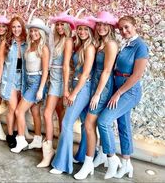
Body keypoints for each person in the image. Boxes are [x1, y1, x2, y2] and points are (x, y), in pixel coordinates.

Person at [97, 16, 149, 179]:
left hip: (129, 91)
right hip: (117, 87)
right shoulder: (125, 44)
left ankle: (112, 159)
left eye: (127, 27)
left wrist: (119, 93)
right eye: (120, 29)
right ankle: (127, 163)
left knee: (103, 121)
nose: (124, 31)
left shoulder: (140, 46)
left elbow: (137, 75)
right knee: (123, 125)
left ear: (134, 26)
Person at [74, 11, 118, 180]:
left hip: (103, 87)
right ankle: (95, 156)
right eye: (99, 24)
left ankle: (88, 163)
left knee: (89, 125)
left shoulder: (111, 44)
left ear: (110, 27)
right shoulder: (100, 42)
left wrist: (98, 94)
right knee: (89, 124)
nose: (101, 27)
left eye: (104, 24)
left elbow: (107, 71)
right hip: (94, 83)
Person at [50, 17, 96, 175]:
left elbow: (85, 74)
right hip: (78, 85)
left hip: (82, 87)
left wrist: (72, 93)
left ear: (90, 31)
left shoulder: (89, 48)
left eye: (85, 29)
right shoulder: (81, 45)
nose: (82, 31)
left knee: (67, 123)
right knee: (84, 122)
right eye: (80, 29)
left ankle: (62, 164)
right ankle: (82, 156)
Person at [37, 12, 74, 168]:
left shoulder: (68, 41)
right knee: (59, 113)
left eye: (62, 24)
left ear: (67, 26)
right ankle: (61, 148)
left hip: (60, 80)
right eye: (57, 24)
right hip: (52, 77)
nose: (59, 27)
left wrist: (65, 89)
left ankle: (49, 150)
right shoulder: (55, 39)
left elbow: (66, 65)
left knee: (47, 113)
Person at [11, 18, 50, 153]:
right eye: (31, 31)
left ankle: (21, 140)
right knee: (34, 112)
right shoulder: (30, 45)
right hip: (27, 80)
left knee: (19, 111)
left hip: (37, 82)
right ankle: (38, 140)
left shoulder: (43, 48)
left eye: (36, 31)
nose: (33, 33)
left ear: (41, 32)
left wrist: (40, 89)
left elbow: (45, 71)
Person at [0, 16, 27, 148]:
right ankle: (10, 134)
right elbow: (0, 64)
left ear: (22, 27)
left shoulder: (27, 42)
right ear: (10, 28)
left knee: (19, 110)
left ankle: (15, 132)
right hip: (10, 79)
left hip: (24, 79)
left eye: (18, 26)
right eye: (13, 27)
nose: (16, 29)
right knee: (12, 109)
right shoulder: (6, 43)